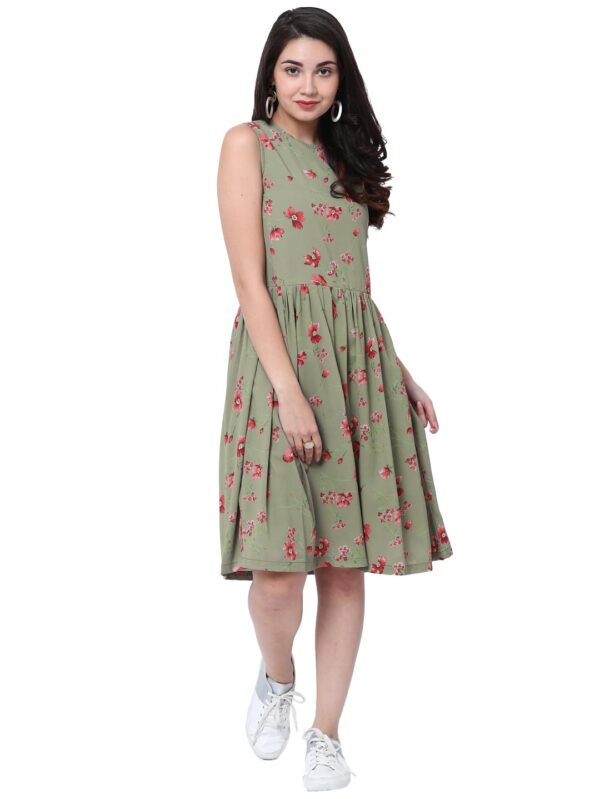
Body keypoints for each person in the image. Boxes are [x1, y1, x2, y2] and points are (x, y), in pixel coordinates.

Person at [216, 8, 454, 791]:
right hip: (277, 369)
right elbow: (250, 281)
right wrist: (288, 393)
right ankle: (277, 675)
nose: (308, 85)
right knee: (278, 573)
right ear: (271, 75)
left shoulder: (347, 161)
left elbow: (353, 292)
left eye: (323, 70)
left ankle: (326, 732)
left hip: (357, 373)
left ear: (341, 78)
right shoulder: (247, 144)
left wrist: (399, 371)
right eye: (293, 69)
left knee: (344, 567)